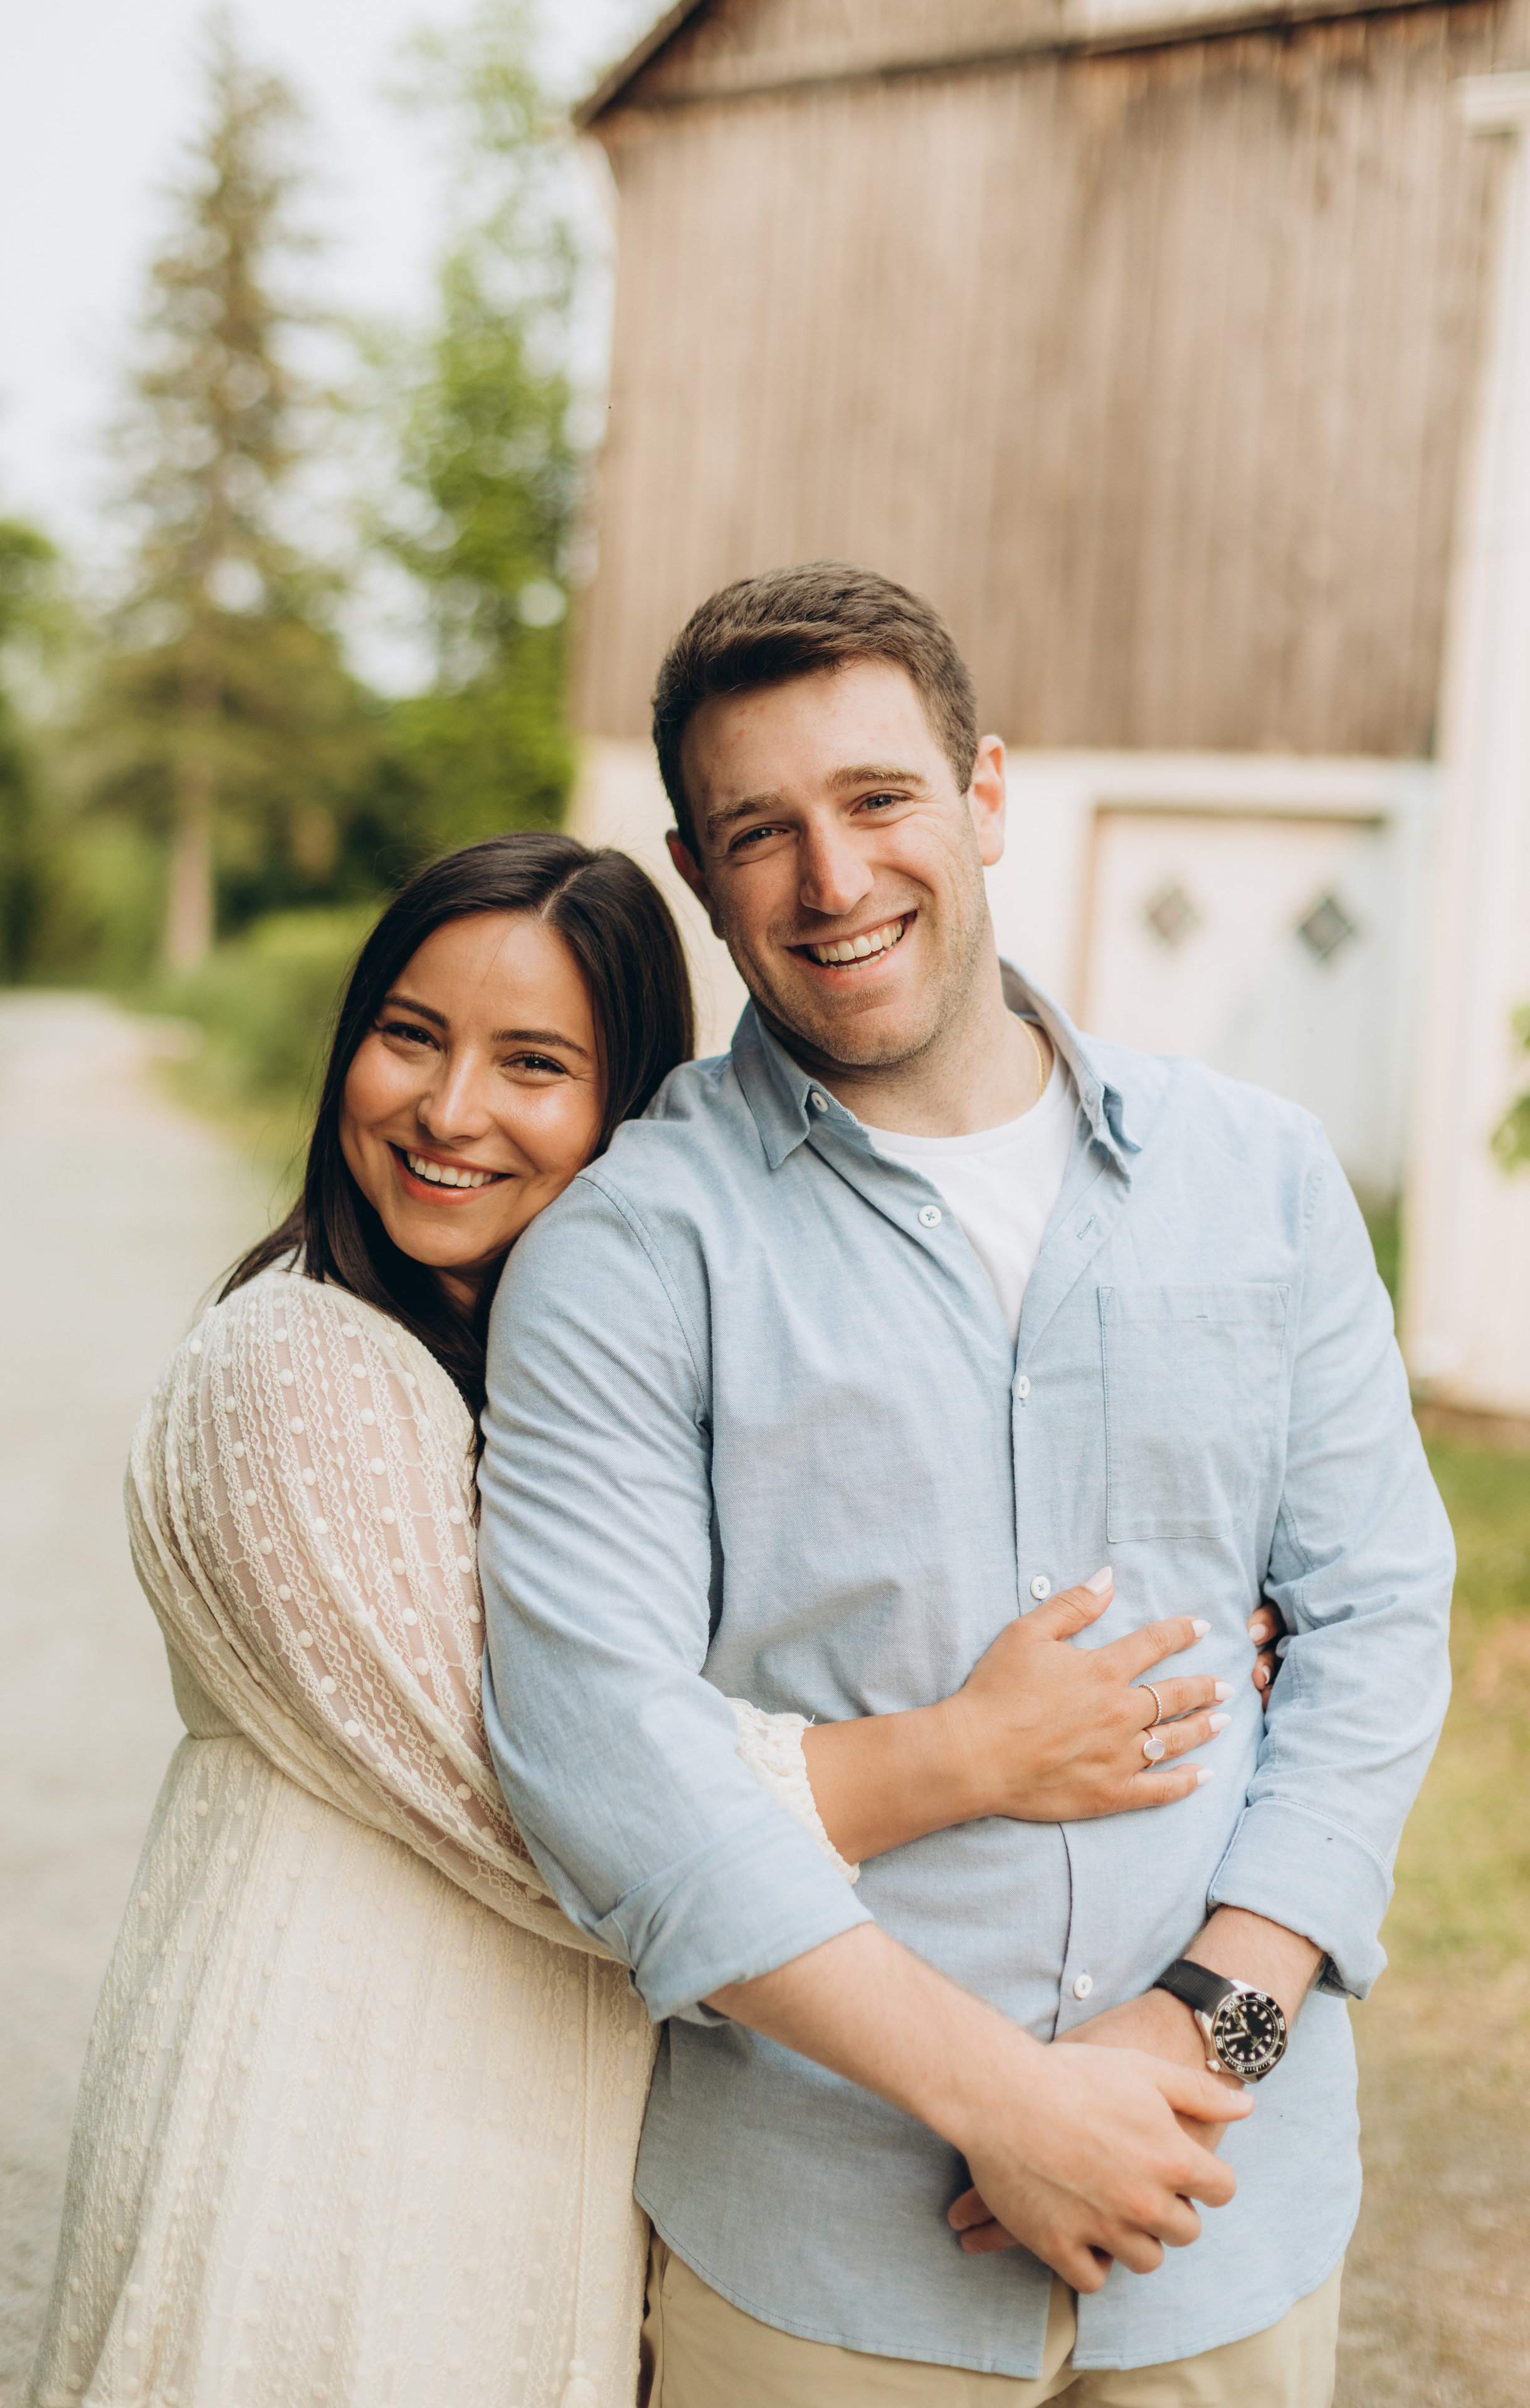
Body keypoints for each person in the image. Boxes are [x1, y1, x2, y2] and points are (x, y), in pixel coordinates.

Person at [27, 833, 1265, 2408]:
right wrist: (970, 1753)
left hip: (564, 2128)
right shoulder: (294, 1369)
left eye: (531, 1063)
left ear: (621, 1117)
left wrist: (1195, 1657)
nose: (450, 1109)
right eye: (409, 1035)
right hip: (325, 2101)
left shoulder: (601, 1393)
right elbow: (562, 1813)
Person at [477, 564, 1457, 2407]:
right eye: (760, 833)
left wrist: (1200, 2042)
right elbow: (604, 1750)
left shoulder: (1261, 1178)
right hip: (822, 2253)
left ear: (984, 794)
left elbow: (1382, 1623)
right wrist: (1007, 2102)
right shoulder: (629, 1252)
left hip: (1220, 2212)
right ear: (697, 875)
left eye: (877, 800)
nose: (831, 883)